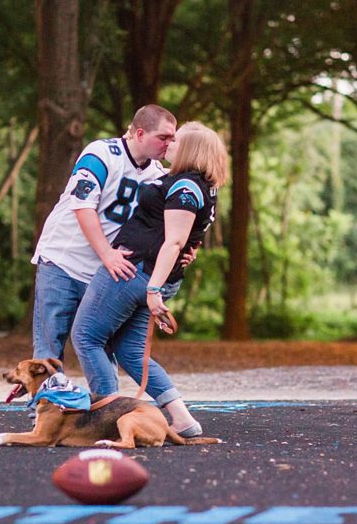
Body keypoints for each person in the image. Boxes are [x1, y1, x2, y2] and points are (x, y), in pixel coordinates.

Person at [71, 121, 229, 436]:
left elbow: (173, 241)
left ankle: (107, 420)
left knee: (87, 336)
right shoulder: (197, 184)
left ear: (191, 150)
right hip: (149, 274)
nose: (169, 142)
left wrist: (154, 290)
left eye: (176, 140)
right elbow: (184, 238)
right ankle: (182, 418)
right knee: (129, 351)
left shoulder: (186, 187)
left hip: (137, 272)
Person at [31, 104, 177, 362]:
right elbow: (83, 206)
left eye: (172, 138)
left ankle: (107, 401)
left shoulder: (159, 175)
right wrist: (107, 253)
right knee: (48, 350)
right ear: (140, 134)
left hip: (104, 273)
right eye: (163, 137)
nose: (169, 144)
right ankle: (44, 401)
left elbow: (175, 222)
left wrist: (186, 251)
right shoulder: (100, 153)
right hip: (63, 261)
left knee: (100, 347)